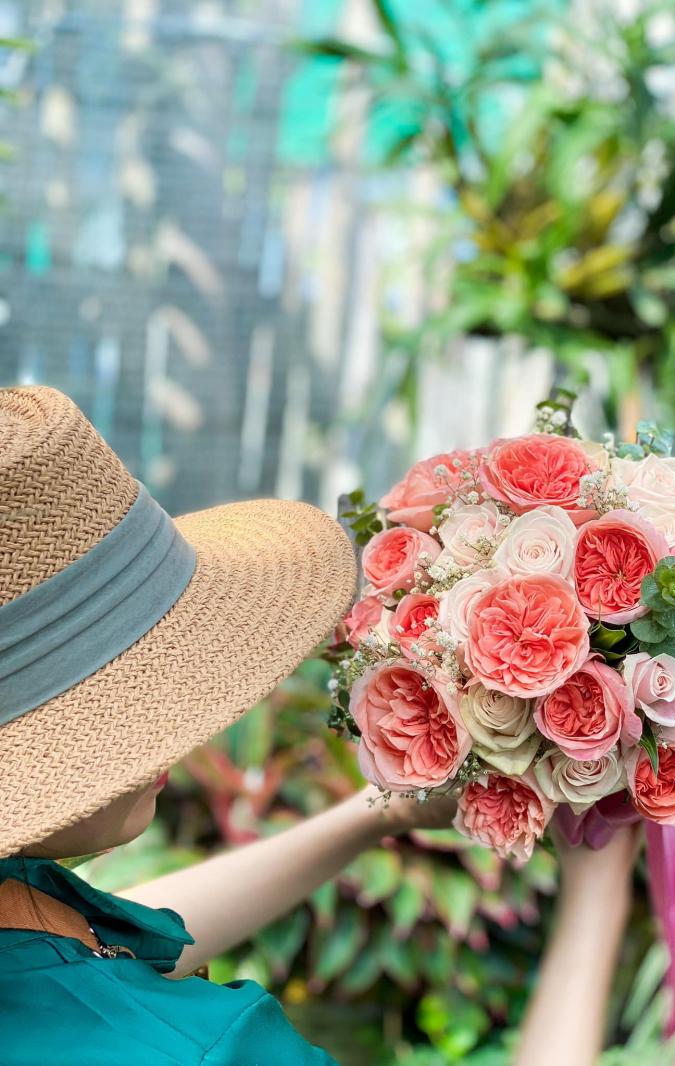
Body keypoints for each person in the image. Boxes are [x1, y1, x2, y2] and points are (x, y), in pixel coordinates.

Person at [0, 386, 636, 1065]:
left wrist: (376, 815)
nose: (182, 733)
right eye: (132, 692)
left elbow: (96, 941)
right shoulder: (202, 1050)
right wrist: (600, 890)